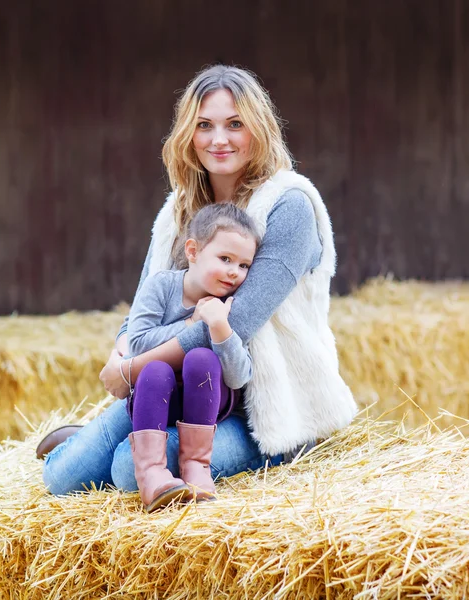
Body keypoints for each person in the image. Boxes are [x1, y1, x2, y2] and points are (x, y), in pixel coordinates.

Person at [40, 64, 357, 499]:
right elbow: (140, 311)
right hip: (175, 386)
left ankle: (107, 441)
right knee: (61, 479)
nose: (219, 140)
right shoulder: (179, 213)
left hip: (262, 407)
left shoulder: (290, 206)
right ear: (189, 134)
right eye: (205, 125)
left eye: (234, 124)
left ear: (259, 129)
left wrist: (132, 369)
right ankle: (87, 441)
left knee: (127, 473)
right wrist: (121, 352)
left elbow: (234, 325)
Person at [124, 203, 260, 511]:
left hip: (207, 403)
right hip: (158, 401)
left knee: (202, 360)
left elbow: (239, 377)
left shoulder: (231, 303)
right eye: (225, 259)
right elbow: (138, 345)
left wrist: (219, 326)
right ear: (193, 251)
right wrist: (190, 324)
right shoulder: (161, 286)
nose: (234, 272)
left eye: (243, 265)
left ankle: (196, 468)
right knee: (157, 370)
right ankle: (152, 475)